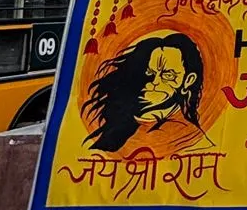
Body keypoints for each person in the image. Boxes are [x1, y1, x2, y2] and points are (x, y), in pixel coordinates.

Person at [83, 31, 214, 154]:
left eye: (167, 75)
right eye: (151, 73)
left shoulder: (182, 133)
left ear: (188, 81)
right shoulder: (127, 119)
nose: (155, 81)